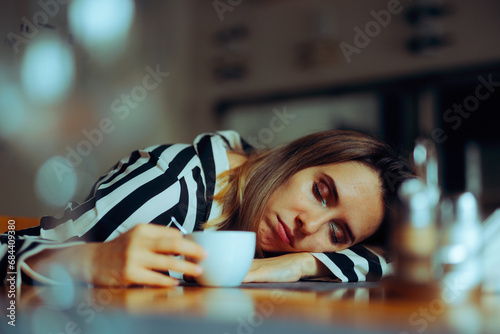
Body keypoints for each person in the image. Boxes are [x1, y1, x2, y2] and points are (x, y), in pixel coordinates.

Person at [0, 130, 414, 287]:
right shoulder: (170, 187)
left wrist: (301, 265)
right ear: (297, 159)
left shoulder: (278, 224)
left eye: (336, 233)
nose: (310, 226)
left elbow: (401, 261)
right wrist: (92, 261)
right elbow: (12, 252)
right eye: (321, 192)